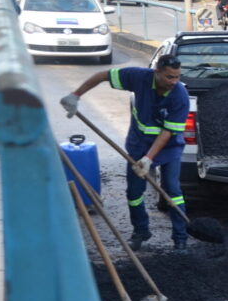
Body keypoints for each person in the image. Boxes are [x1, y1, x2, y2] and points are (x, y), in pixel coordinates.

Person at [60, 55, 191, 250]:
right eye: (169, 77)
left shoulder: (180, 95)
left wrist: (148, 159)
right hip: (138, 145)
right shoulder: (139, 77)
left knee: (173, 189)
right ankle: (140, 231)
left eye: (177, 77)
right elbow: (102, 75)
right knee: (134, 193)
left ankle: (180, 238)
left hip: (168, 147)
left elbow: (167, 132)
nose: (174, 82)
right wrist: (76, 95)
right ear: (157, 72)